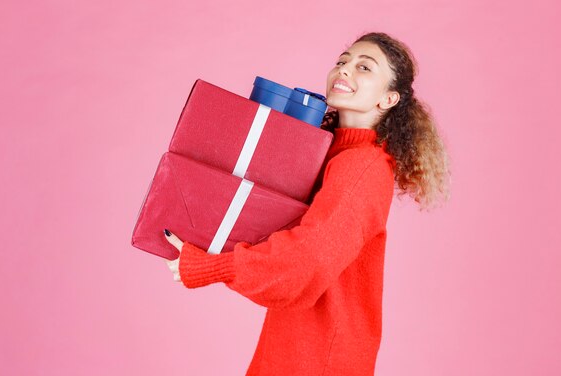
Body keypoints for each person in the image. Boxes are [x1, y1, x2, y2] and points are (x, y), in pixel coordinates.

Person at [163, 32, 451, 375]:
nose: (344, 71)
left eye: (364, 67)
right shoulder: (332, 154)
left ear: (388, 99)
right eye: (342, 62)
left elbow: (303, 263)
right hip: (296, 348)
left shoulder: (362, 166)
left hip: (319, 359)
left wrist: (212, 266)